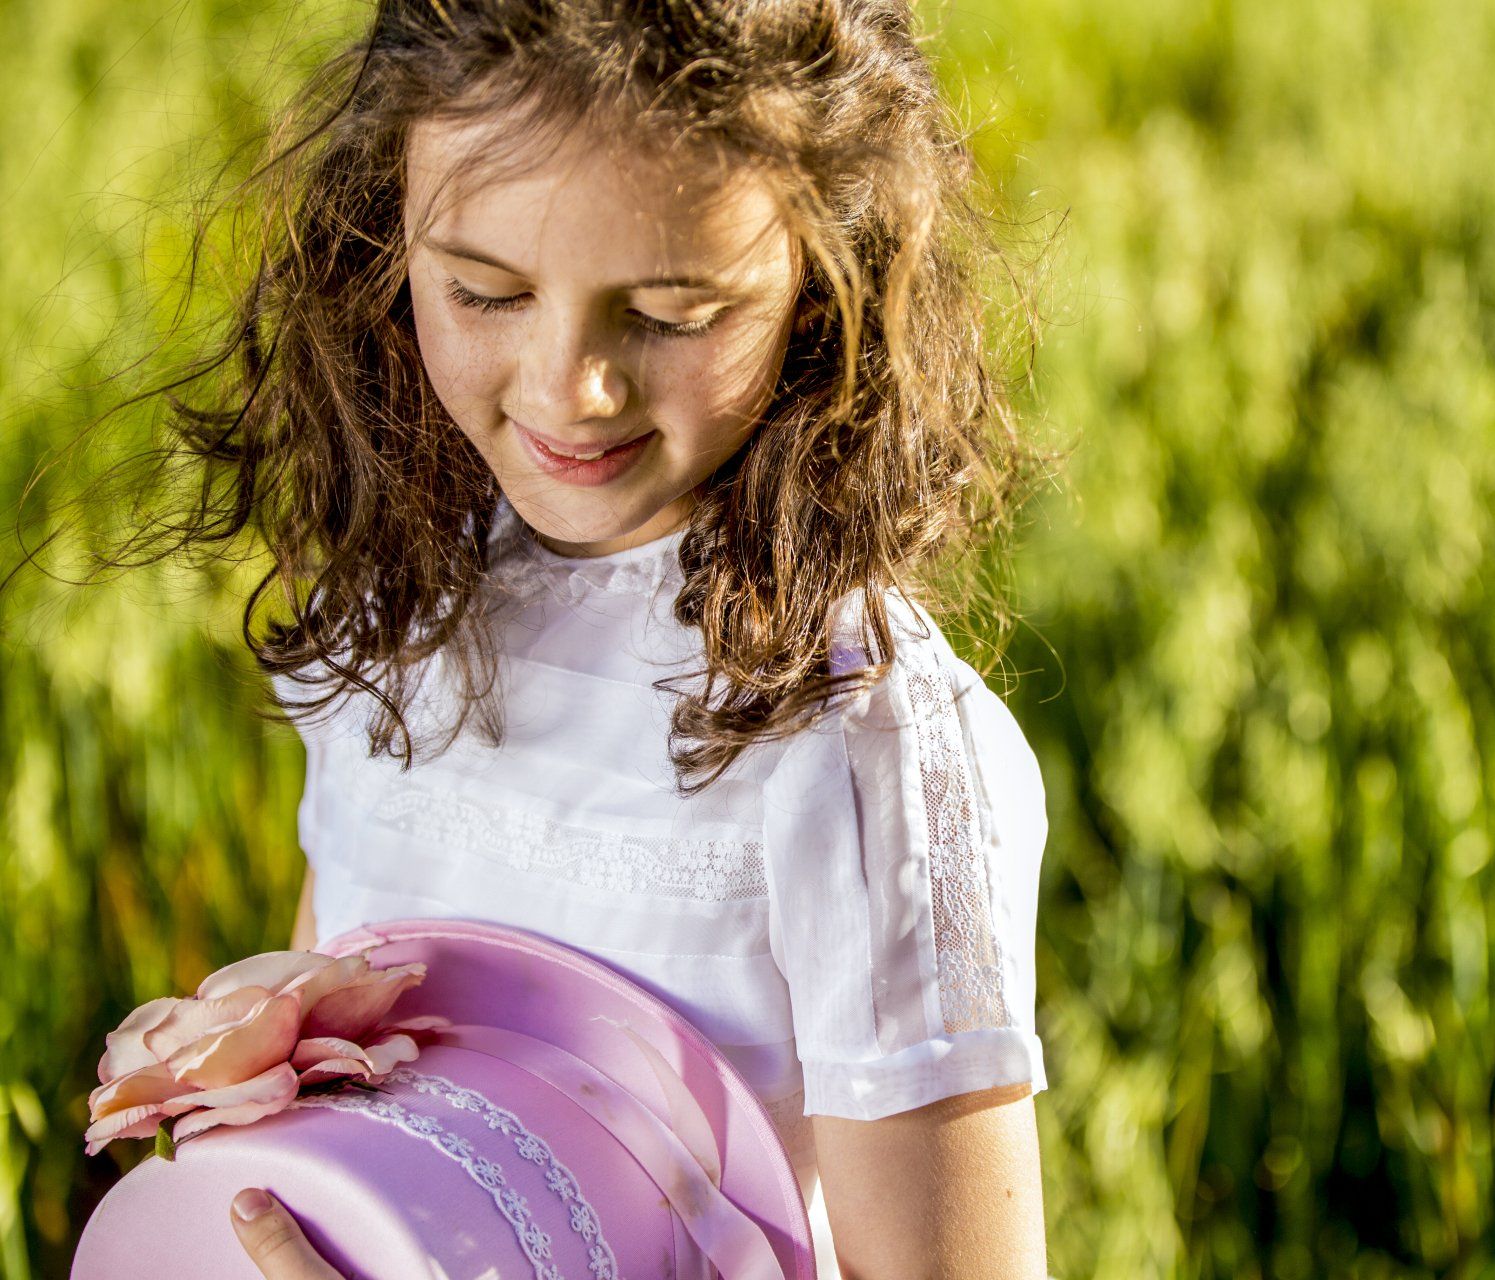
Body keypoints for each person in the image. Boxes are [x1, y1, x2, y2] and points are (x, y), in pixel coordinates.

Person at [77, 1, 1058, 1275]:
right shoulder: (406, 606)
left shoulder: (858, 741)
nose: (564, 387)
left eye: (670, 311)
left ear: (831, 276)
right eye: (484, 288)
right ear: (392, 229)